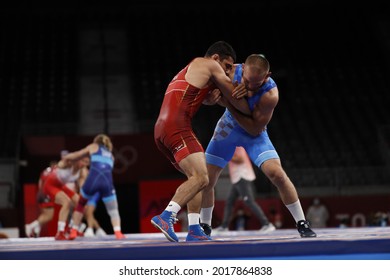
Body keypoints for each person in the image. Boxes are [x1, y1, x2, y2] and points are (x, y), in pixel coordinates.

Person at [200, 54, 317, 238]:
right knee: (207, 178)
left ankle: (301, 222)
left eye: (256, 83)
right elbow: (206, 88)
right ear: (243, 68)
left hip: (253, 134)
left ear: (267, 76)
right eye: (247, 80)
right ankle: (205, 225)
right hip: (228, 129)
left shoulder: (270, 94)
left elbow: (254, 129)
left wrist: (228, 102)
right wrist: (210, 97)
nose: (250, 86)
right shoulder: (229, 70)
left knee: (277, 174)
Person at [151, 41, 250, 242]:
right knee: (202, 177)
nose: (227, 70)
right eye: (227, 66)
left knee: (196, 179)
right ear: (216, 58)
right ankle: (166, 216)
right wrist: (247, 86)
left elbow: (200, 97)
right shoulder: (209, 64)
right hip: (176, 127)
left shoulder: (194, 68)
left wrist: (212, 95)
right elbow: (233, 91)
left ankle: (195, 228)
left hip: (161, 130)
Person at [65, 134, 125, 240]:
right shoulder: (111, 155)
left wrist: (66, 157)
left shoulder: (93, 146)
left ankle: (74, 230)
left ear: (96, 141)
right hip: (107, 183)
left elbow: (77, 155)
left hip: (92, 181)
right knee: (113, 210)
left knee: (80, 205)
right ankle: (118, 232)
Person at [214, 146, 276, 233]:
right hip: (237, 178)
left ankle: (266, 224)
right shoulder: (232, 147)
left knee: (249, 201)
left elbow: (240, 159)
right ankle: (224, 226)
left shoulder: (237, 146)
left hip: (242, 176)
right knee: (229, 202)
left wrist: (226, 156)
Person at [42, 154, 89, 240]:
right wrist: (62, 164)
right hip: (50, 185)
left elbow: (82, 187)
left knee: (81, 203)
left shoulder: (83, 171)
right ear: (78, 160)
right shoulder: (69, 163)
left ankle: (73, 228)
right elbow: (61, 163)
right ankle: (60, 232)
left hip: (61, 186)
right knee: (66, 202)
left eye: (86, 162)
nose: (84, 164)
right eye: (82, 161)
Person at [25, 161, 57, 237]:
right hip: (47, 194)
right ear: (54, 165)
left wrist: (41, 193)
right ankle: (31, 226)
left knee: (44, 214)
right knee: (50, 215)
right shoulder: (54, 172)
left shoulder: (44, 171)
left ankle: (37, 231)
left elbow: (40, 182)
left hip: (41, 194)